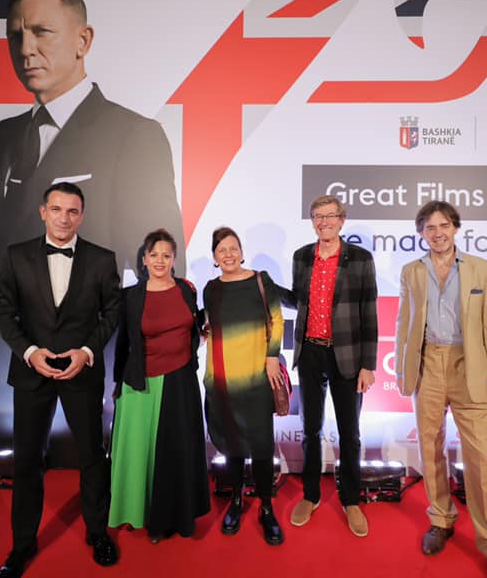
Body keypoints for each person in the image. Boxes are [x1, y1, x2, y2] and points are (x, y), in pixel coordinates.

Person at [0, 0, 184, 449]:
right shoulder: (4, 137)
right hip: (4, 359)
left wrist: (131, 368)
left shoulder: (134, 134)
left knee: (86, 474)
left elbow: (159, 267)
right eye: (16, 35)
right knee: (7, 479)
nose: (26, 49)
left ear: (83, 41)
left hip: (90, 359)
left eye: (42, 32)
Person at [0, 182, 121, 577]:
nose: (64, 218)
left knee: (92, 457)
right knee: (27, 460)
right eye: (57, 209)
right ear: (43, 212)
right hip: (32, 372)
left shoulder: (102, 259)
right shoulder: (16, 256)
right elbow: (2, 312)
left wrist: (87, 352)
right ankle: (22, 545)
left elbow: (112, 312)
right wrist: (29, 352)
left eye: (72, 211)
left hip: (82, 372)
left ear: (82, 216)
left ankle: (97, 532)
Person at [394, 201, 487, 578]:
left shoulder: (481, 268)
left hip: (470, 366)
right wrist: (403, 370)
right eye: (430, 228)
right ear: (422, 233)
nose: (438, 233)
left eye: (444, 225)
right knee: (430, 447)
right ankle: (440, 519)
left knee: (481, 459)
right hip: (428, 364)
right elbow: (403, 323)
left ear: (455, 228)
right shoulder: (412, 271)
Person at [108, 229, 210, 543]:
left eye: (166, 255)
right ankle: (146, 516)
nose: (160, 261)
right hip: (141, 384)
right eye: (154, 255)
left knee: (177, 453)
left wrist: (203, 330)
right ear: (144, 259)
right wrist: (118, 383)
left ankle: (176, 517)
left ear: (174, 259)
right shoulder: (130, 297)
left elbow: (192, 325)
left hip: (181, 381)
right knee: (142, 455)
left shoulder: (186, 289)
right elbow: (123, 343)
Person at [289, 195, 377, 537]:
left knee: (349, 433)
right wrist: (261, 286)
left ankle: (351, 500)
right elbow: (298, 300)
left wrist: (368, 364)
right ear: (312, 221)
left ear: (342, 220)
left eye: (329, 216)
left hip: (349, 357)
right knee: (310, 429)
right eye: (317, 216)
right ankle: (310, 495)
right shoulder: (301, 257)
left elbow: (369, 312)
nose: (323, 222)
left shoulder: (360, 259)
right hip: (310, 353)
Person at [202, 227, 286, 546]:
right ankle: (236, 502)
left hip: (257, 379)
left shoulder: (260, 281)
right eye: (221, 250)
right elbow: (210, 326)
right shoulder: (211, 289)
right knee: (233, 448)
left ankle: (266, 507)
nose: (228, 254)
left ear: (241, 251)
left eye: (233, 248)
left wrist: (272, 356)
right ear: (214, 257)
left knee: (262, 449)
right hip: (223, 381)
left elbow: (277, 320)